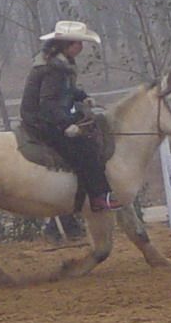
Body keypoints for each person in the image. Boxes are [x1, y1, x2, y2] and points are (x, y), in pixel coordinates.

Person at [20, 20, 123, 212]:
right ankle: (99, 196)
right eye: (78, 43)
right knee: (85, 149)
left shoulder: (60, 63)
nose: (81, 48)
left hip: (51, 116)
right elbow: (48, 102)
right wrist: (66, 124)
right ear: (67, 44)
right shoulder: (53, 68)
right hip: (42, 122)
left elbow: (66, 90)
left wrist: (83, 96)